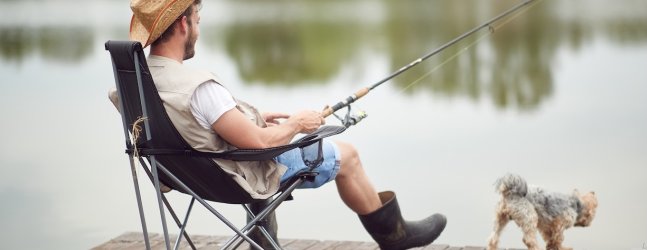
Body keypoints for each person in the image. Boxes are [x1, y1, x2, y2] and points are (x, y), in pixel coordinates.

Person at [115, 0, 447, 249]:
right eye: (198, 20)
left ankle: (262, 235)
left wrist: (257, 116)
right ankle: (395, 235)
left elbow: (196, 126)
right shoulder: (200, 87)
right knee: (348, 156)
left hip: (186, 176)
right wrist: (297, 124)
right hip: (234, 176)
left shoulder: (139, 83)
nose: (198, 30)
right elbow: (259, 144)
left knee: (268, 139)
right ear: (184, 24)